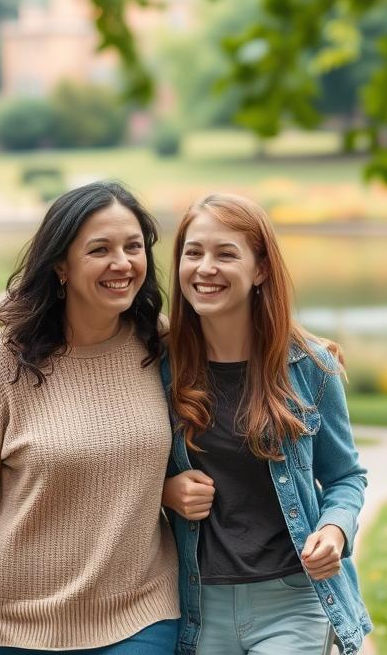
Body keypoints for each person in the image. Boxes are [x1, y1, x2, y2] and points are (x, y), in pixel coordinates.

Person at [0, 181, 179, 655]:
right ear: (61, 267)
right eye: (100, 249)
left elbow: (241, 346)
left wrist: (308, 355)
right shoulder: (3, 360)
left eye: (133, 247)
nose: (122, 263)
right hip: (20, 627)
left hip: (142, 615)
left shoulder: (161, 345)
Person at [160, 193, 371, 655]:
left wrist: (335, 531)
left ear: (260, 270)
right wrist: (167, 492)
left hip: (293, 600)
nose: (205, 268)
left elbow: (345, 477)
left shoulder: (311, 367)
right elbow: (123, 466)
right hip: (197, 602)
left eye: (225, 254)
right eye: (193, 253)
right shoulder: (160, 368)